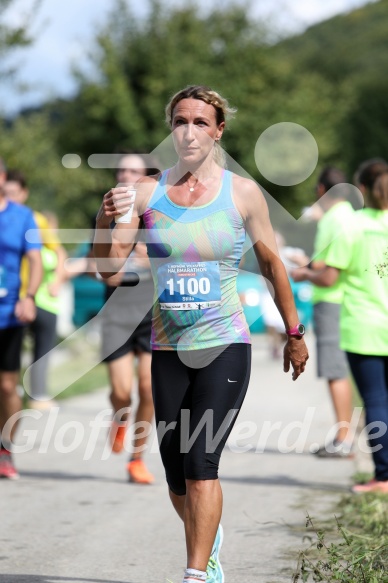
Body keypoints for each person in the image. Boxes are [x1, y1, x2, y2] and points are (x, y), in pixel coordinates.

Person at [93, 85, 309, 582]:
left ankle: (197, 573)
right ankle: (207, 540)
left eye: (199, 122)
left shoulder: (243, 192)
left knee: (200, 459)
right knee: (173, 467)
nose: (189, 131)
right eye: (180, 122)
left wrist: (294, 332)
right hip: (169, 344)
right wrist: (106, 219)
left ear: (218, 130)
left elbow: (274, 265)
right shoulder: (146, 192)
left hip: (224, 343)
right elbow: (109, 269)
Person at [293, 159, 388, 493]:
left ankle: (374, 466)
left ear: (362, 189)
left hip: (358, 318)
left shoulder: (350, 224)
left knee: (371, 395)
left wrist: (302, 272)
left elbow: (328, 271)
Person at [100, 153, 156, 484]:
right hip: (117, 314)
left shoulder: (157, 214)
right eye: (121, 169)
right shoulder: (108, 215)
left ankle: (137, 459)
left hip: (150, 313)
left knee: (148, 390)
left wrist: (149, 262)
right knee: (122, 393)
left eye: (133, 170)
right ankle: (119, 418)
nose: (125, 175)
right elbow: (106, 276)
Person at [292, 167, 355, 458]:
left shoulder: (333, 218)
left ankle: (344, 439)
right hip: (346, 300)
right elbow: (328, 262)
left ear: (321, 191)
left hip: (332, 300)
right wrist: (309, 265)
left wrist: (303, 274)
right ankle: (344, 436)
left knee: (334, 371)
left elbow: (328, 275)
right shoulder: (350, 216)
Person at [3, 170, 67, 409]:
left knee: (41, 347)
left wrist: (57, 281)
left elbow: (58, 251)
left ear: (24, 193)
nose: (9, 198)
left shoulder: (34, 219)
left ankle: (36, 394)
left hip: (36, 298)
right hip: (9, 299)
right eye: (5, 193)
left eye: (14, 193)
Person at [0, 158, 42, 479]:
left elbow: (35, 261)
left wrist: (29, 297)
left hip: (9, 313)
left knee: (7, 384)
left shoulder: (22, 216)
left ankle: (6, 450)